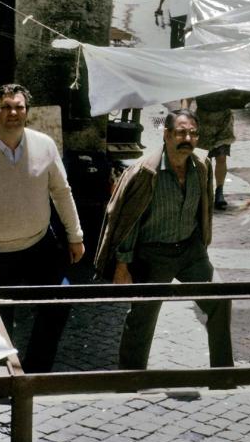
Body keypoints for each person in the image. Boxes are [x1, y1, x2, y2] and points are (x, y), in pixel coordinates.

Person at [0, 83, 85, 373]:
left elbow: (61, 191)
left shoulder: (44, 144)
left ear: (27, 112)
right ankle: (4, 376)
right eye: (7, 107)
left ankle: (37, 371)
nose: (14, 113)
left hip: (38, 244)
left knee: (61, 298)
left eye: (19, 107)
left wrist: (75, 235)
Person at [94, 108, 234, 371]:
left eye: (193, 134)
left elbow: (203, 208)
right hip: (153, 255)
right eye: (181, 132)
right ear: (167, 135)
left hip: (190, 253)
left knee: (220, 300)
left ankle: (223, 374)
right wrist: (123, 265)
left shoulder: (202, 167)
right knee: (142, 317)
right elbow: (128, 221)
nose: (188, 139)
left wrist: (202, 245)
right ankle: (130, 378)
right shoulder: (146, 173)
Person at [191, 92, 235, 210]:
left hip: (224, 119)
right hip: (203, 118)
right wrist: (184, 112)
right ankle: (205, 191)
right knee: (204, 159)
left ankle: (219, 192)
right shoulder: (198, 75)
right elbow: (187, 94)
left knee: (221, 156)